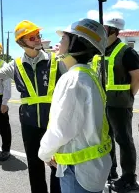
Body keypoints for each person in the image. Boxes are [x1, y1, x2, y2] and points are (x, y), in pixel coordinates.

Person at [0, 20, 63, 193]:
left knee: (57, 163)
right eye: (32, 37)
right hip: (29, 122)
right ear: (21, 42)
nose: (37, 39)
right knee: (34, 163)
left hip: (54, 122)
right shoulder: (15, 64)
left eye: (38, 36)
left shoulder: (55, 60)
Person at [38, 18, 112, 193]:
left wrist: (45, 153)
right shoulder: (89, 75)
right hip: (93, 167)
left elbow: (62, 128)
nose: (59, 42)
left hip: (77, 170)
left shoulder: (73, 80)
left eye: (64, 38)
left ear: (75, 44)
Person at [90, 16, 139, 191]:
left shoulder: (126, 51)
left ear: (113, 30)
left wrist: (128, 96)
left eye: (104, 28)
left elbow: (136, 77)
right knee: (106, 138)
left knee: (124, 140)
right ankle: (110, 171)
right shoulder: (101, 50)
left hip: (120, 104)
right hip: (103, 102)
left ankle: (129, 178)